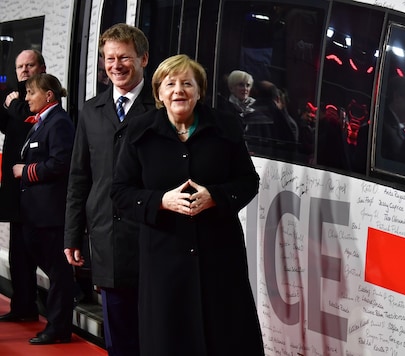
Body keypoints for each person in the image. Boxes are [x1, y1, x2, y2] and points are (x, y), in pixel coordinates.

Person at [111, 54, 264, 356]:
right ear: (159, 93)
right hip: (163, 261)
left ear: (199, 91)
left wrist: (216, 197)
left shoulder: (226, 126)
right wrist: (160, 201)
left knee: (227, 339)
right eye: (170, 84)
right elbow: (120, 192)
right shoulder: (139, 132)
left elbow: (248, 181)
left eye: (187, 83)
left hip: (220, 259)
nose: (178, 90)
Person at [64, 23, 153, 356]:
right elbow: (78, 177)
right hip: (106, 236)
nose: (115, 65)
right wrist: (72, 236)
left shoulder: (162, 108)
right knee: (118, 331)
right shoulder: (91, 111)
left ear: (143, 58)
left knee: (155, 328)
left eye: (124, 58)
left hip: (152, 233)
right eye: (109, 58)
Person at [12, 73, 75, 344]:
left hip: (50, 214)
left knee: (59, 272)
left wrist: (25, 171)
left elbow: (61, 163)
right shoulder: (41, 123)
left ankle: (58, 327)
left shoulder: (59, 123)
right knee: (47, 264)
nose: (26, 99)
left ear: (48, 95)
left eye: (30, 93)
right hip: (36, 214)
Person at [0, 49, 46, 323]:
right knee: (19, 253)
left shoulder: (44, 95)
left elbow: (31, 119)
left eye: (30, 65)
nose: (25, 70)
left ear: (41, 68)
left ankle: (72, 294)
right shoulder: (14, 98)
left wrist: (14, 103)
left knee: (43, 250)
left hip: (39, 189)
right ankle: (23, 307)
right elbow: (8, 125)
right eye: (20, 66)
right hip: (18, 190)